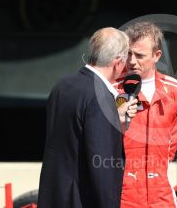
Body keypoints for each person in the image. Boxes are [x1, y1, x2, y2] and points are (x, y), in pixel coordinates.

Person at [37, 27, 137, 208]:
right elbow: (102, 165)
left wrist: (114, 117)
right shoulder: (101, 98)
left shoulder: (63, 85)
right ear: (117, 61)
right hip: (82, 200)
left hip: (55, 195)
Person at [114, 22, 177, 207]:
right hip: (121, 191)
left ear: (157, 56)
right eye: (129, 53)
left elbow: (172, 144)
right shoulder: (112, 89)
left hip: (160, 191)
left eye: (140, 56)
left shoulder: (175, 92)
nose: (132, 61)